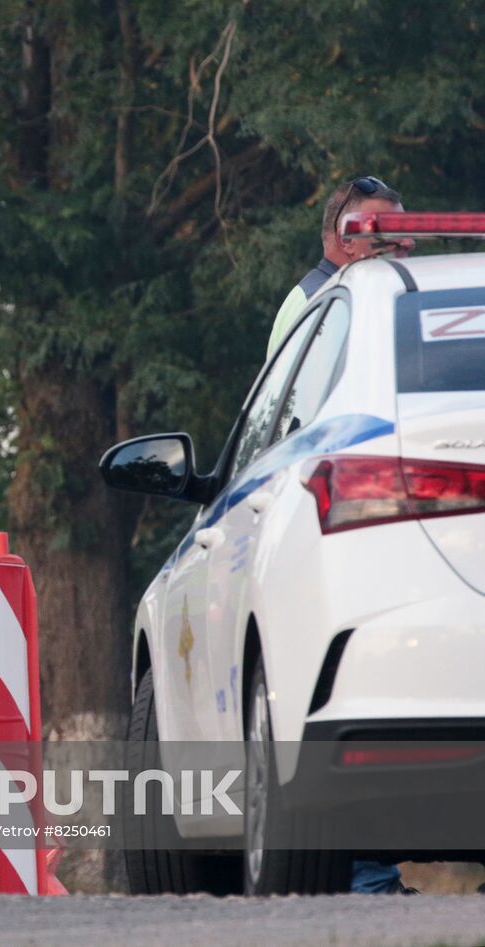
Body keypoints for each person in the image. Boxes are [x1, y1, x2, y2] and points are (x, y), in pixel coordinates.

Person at [270, 183, 415, 896]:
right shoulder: (319, 310)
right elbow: (301, 430)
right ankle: (367, 877)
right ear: (339, 238)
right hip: (338, 526)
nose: (397, 241)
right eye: (379, 230)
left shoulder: (378, 298)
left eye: (400, 230)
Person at [266, 175, 413, 358]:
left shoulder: (330, 297)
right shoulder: (329, 307)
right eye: (391, 232)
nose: (408, 242)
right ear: (347, 240)